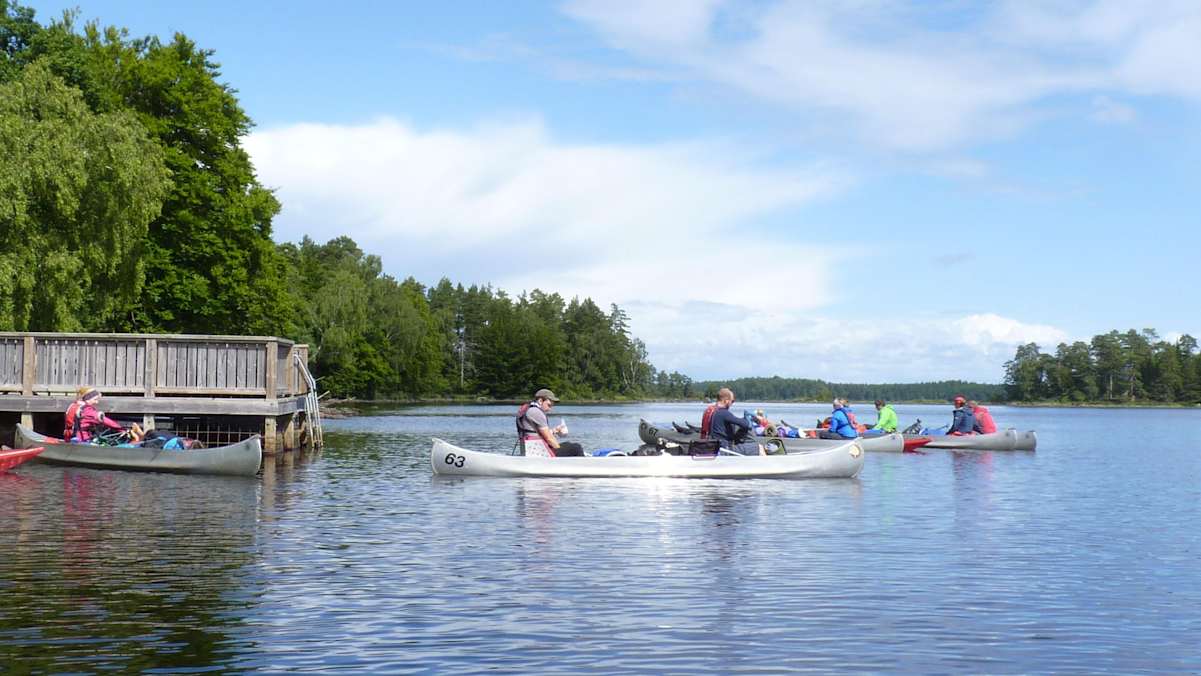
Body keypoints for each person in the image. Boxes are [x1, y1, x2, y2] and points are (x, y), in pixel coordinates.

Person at [515, 388, 583, 457]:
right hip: (539, 451)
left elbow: (538, 433)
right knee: (576, 447)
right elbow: (549, 438)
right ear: (540, 401)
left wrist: (555, 430)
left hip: (530, 448)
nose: (550, 409)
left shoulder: (529, 409)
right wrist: (559, 453)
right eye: (549, 405)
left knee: (568, 445)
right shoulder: (537, 412)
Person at [63, 387, 142, 443]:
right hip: (82, 441)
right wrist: (122, 429)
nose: (97, 402)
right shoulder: (87, 410)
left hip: (69, 438)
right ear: (87, 399)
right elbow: (105, 421)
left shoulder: (73, 406)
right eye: (95, 399)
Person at [707, 388, 764, 455]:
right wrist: (750, 418)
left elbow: (736, 421)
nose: (732, 404)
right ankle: (767, 465)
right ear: (726, 401)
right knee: (759, 447)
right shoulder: (724, 413)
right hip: (725, 449)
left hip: (716, 447)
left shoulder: (714, 412)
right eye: (732, 401)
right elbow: (746, 424)